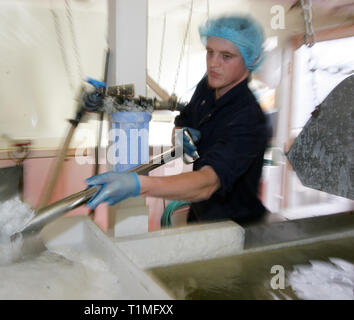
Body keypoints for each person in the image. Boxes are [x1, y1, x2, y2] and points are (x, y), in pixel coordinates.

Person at [86, 15, 270, 224]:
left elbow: (207, 183)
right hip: (202, 215)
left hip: (236, 226)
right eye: (210, 52)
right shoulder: (208, 88)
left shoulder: (249, 119)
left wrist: (140, 185)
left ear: (249, 61)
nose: (213, 64)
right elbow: (184, 120)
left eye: (226, 56)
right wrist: (180, 134)